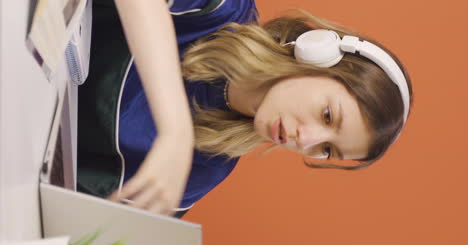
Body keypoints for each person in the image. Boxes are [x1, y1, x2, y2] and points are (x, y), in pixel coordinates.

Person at [77, 0, 413, 219]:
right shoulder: (223, 10)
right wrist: (175, 129)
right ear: (318, 57)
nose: (306, 139)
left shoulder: (207, 166)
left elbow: (89, 219)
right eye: (327, 115)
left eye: (327, 149)